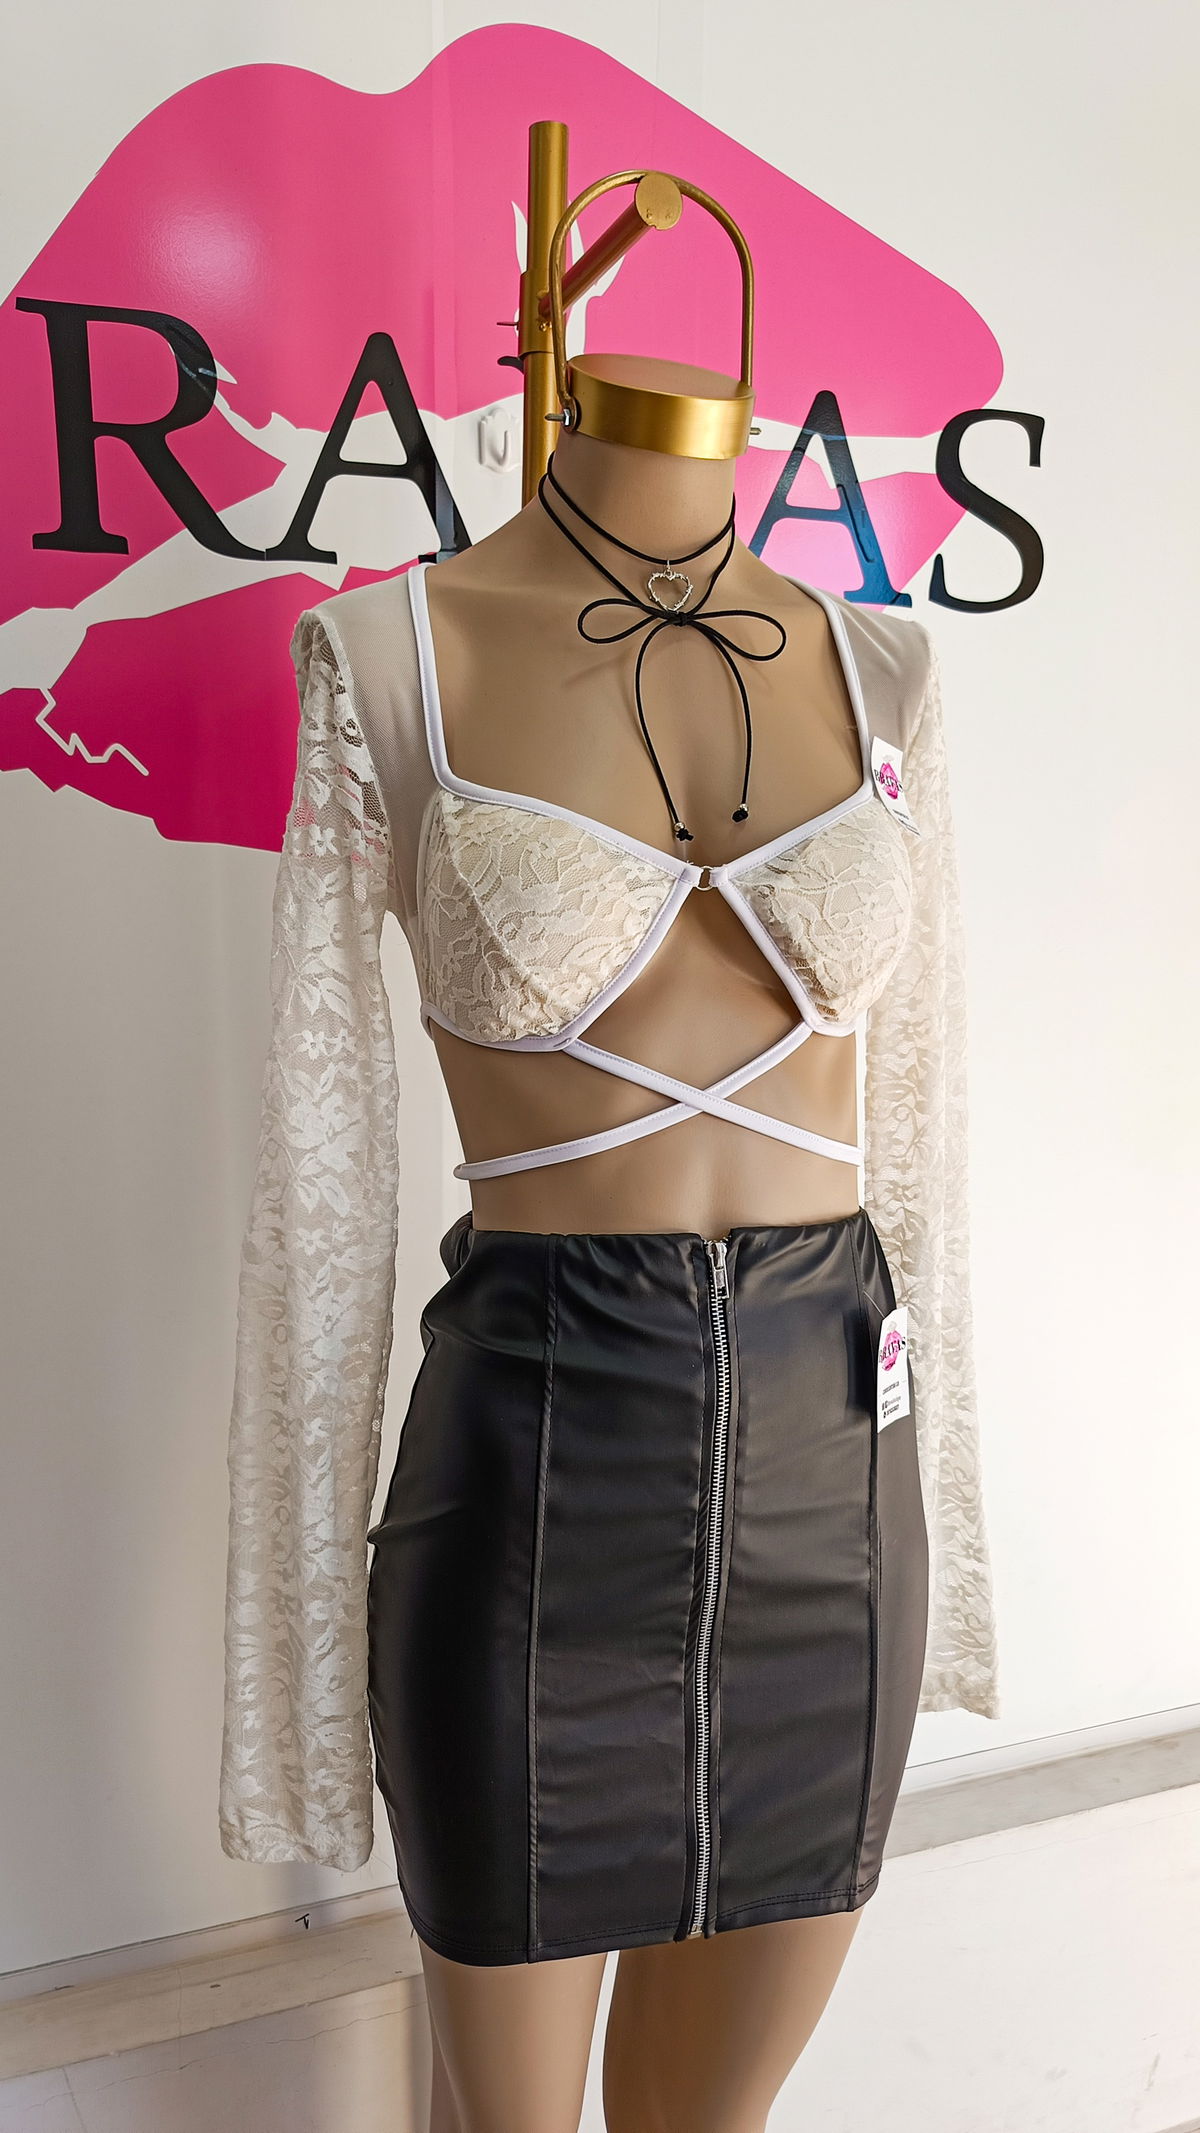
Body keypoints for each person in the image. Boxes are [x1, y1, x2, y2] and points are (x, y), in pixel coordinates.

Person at [221, 348, 999, 2133]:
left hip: (830, 1469)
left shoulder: (882, 665)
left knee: (711, 2118)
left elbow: (922, 1114)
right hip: (537, 1471)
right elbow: (322, 1156)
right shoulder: (395, 653)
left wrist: (936, 1442)